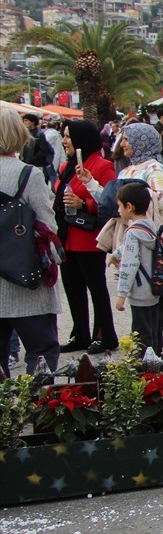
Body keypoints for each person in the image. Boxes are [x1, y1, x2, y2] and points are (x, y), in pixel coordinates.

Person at [0, 108, 61, 379]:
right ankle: (40, 409)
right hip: (25, 278)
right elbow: (48, 227)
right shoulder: (29, 174)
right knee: (41, 350)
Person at [54, 120, 118, 353]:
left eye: (69, 136)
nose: (64, 141)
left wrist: (85, 203)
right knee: (72, 288)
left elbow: (111, 202)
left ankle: (104, 335)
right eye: (64, 136)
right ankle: (79, 334)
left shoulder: (102, 166)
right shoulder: (65, 167)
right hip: (67, 237)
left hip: (89, 239)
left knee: (96, 288)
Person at [112, 182, 163, 359]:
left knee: (141, 333)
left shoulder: (132, 233)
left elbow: (130, 265)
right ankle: (156, 358)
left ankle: (146, 365)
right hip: (153, 288)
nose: (118, 210)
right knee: (152, 327)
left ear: (129, 207)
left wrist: (121, 295)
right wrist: (117, 253)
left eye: (120, 206)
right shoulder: (150, 227)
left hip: (139, 290)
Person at [19, 113, 56, 183]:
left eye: (26, 120)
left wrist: (35, 159)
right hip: (27, 164)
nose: (24, 123)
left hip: (37, 165)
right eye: (24, 121)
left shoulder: (40, 135)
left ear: (33, 122)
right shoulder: (25, 134)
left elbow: (43, 150)